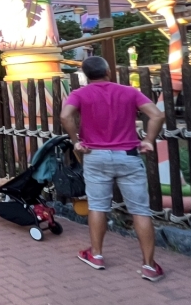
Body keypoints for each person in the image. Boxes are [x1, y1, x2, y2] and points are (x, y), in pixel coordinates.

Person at [60, 55, 167, 281]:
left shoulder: (79, 94)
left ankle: (96, 255)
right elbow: (157, 115)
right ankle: (149, 266)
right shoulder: (129, 92)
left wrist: (75, 140)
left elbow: (65, 115)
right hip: (128, 156)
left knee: (98, 206)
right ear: (108, 71)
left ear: (86, 76)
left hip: (95, 156)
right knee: (140, 210)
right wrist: (148, 140)